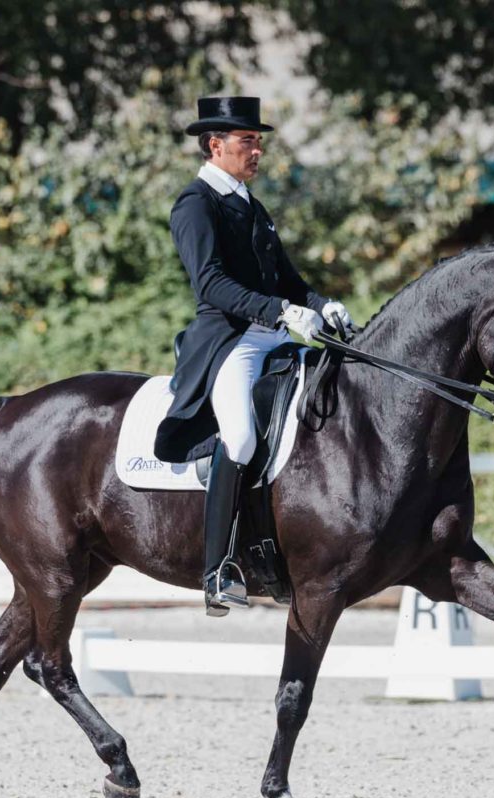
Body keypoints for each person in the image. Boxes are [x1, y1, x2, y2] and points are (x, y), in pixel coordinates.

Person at [154, 96, 354, 616]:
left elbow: (288, 280)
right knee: (240, 435)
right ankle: (217, 568)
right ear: (216, 144)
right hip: (230, 341)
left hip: (272, 334)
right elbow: (211, 283)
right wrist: (280, 313)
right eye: (248, 141)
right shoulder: (196, 203)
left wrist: (321, 305)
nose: (258, 150)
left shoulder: (249, 204)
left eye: (259, 141)